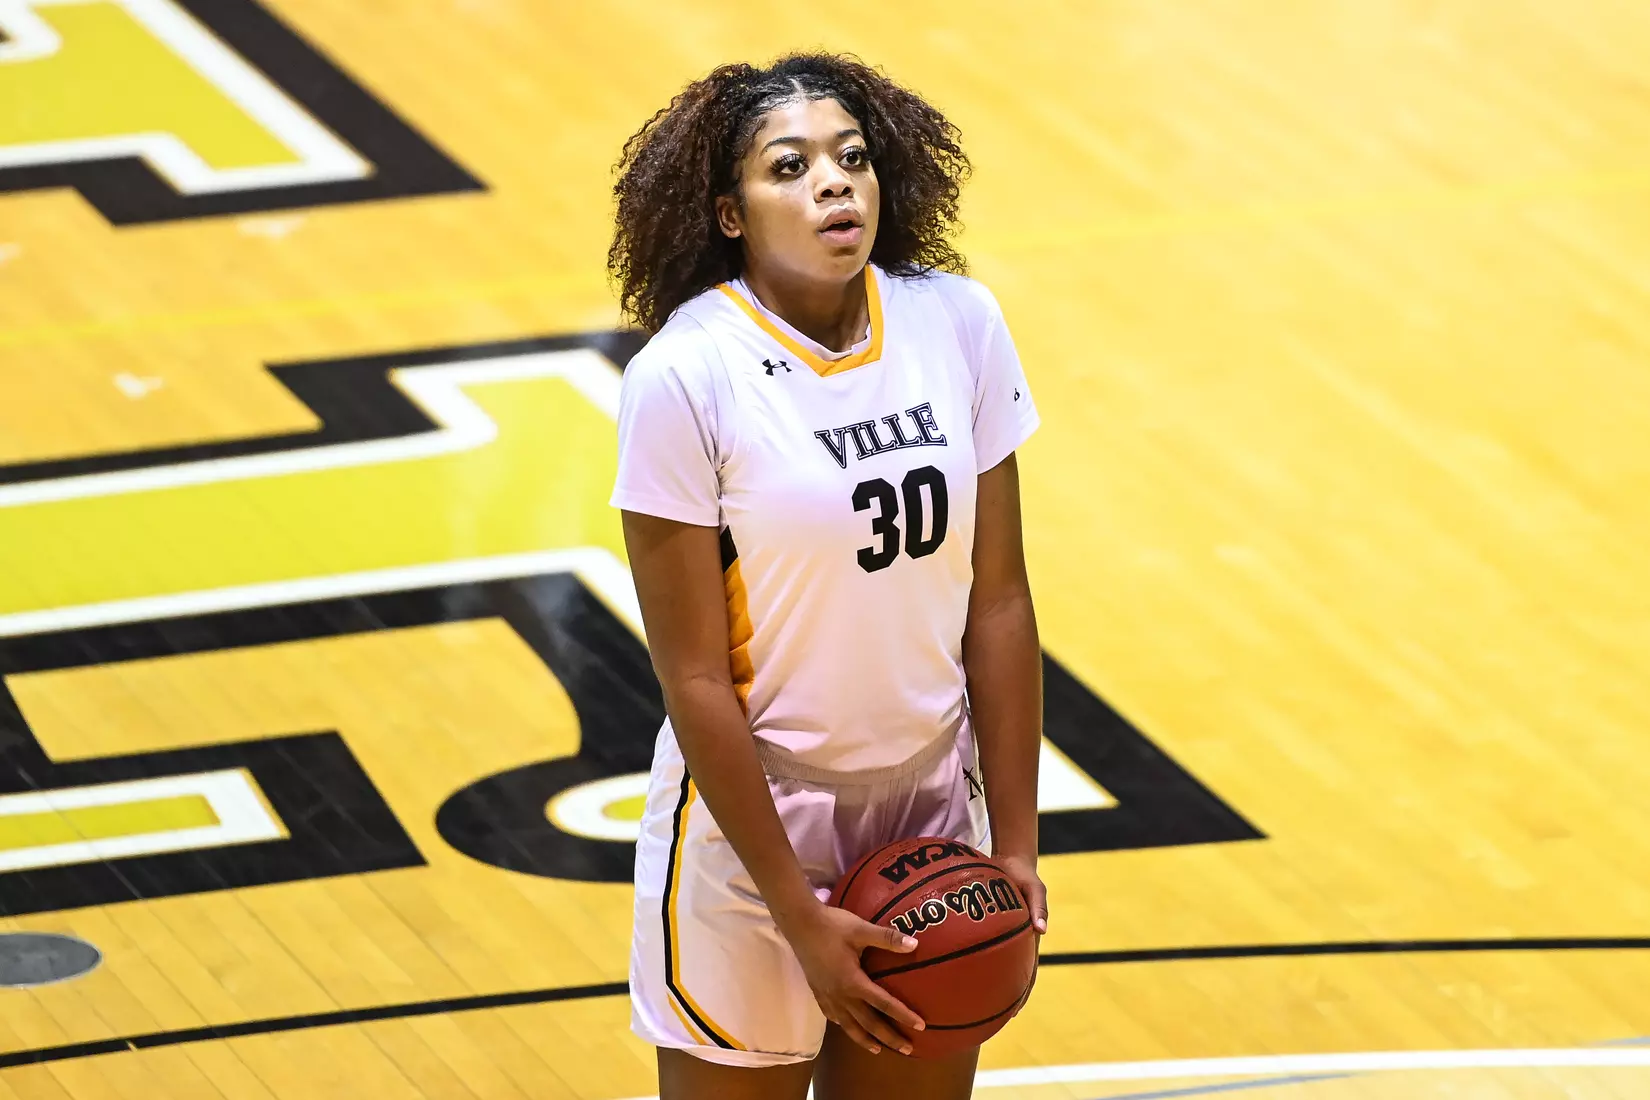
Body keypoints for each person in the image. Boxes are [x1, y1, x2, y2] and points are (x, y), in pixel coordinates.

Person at [607, 53, 1046, 1100]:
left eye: (852, 159)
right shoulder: (684, 377)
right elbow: (696, 680)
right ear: (727, 212)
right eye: (791, 167)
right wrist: (795, 913)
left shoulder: (957, 322)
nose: (834, 183)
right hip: (756, 826)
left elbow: (1001, 600)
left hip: (931, 811)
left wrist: (1018, 847)